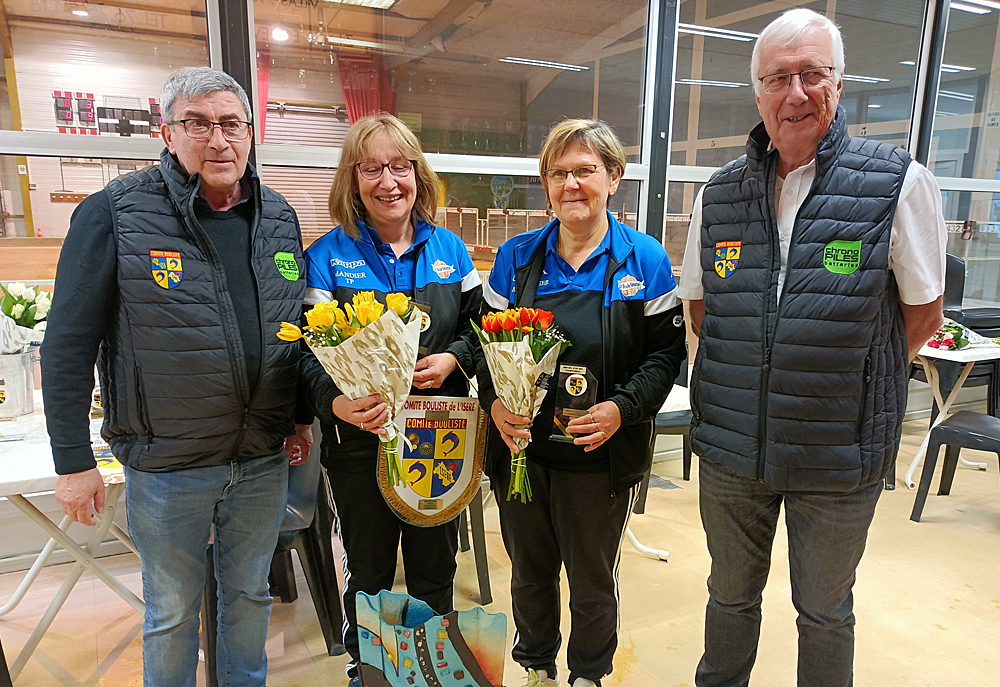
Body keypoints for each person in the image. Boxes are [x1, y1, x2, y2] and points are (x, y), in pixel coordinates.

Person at [678, 9, 946, 687]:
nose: (795, 92)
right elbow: (703, 307)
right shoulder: (720, 193)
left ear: (839, 82)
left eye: (812, 74)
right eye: (778, 78)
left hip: (838, 455)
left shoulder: (898, 183)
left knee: (824, 613)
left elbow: (921, 315)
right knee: (728, 598)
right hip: (734, 447)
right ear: (758, 93)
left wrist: (846, 378)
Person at [43, 66, 328, 686]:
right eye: (197, 124)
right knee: (172, 612)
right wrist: (72, 460)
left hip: (261, 459)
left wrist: (299, 417)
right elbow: (67, 344)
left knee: (249, 598)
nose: (218, 139)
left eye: (231, 124)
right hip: (168, 465)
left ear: (249, 133)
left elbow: (291, 331)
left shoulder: (278, 216)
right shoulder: (115, 213)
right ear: (167, 134)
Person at [477, 119, 686, 687]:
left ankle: (588, 674)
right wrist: (495, 405)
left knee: (592, 583)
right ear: (546, 183)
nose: (571, 184)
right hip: (523, 456)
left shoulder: (643, 259)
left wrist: (621, 409)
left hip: (599, 460)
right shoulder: (517, 258)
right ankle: (535, 666)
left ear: (613, 177)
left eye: (585, 171)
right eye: (558, 172)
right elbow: (483, 347)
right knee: (529, 575)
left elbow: (665, 356)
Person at [297, 113, 483, 687]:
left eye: (399, 167)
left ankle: (431, 673)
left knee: (434, 566)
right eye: (371, 168)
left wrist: (453, 359)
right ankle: (372, 674)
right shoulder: (326, 256)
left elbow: (481, 330)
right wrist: (334, 404)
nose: (388, 181)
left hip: (437, 439)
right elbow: (304, 353)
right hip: (359, 442)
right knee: (370, 571)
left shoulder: (451, 250)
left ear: (417, 174)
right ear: (353, 180)